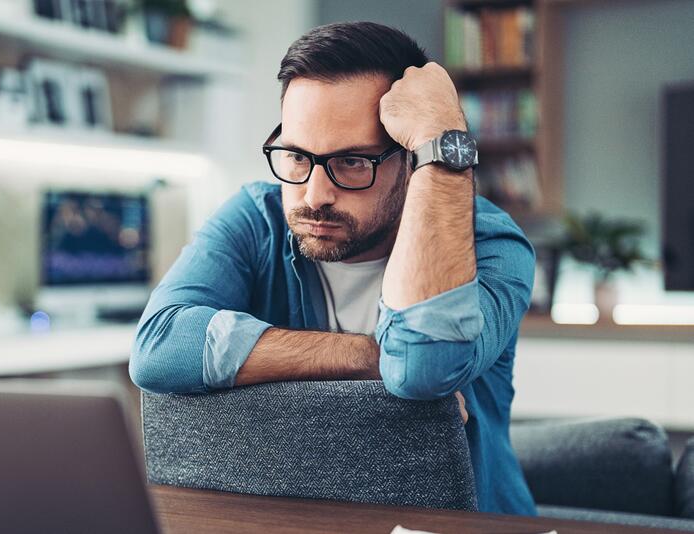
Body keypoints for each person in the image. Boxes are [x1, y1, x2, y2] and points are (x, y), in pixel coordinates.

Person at [129, 21, 537, 516]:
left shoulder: (491, 244)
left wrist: (441, 138)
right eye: (297, 156)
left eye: (351, 163)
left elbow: (422, 368)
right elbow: (158, 347)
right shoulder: (257, 218)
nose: (315, 196)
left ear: (411, 161)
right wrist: (367, 356)